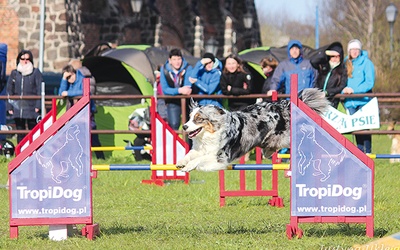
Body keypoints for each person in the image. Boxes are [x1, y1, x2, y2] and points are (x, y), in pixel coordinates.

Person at [59, 64, 105, 159]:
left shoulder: (85, 78)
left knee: (92, 136)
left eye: (69, 77)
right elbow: (61, 92)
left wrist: (68, 93)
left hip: (87, 112)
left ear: (73, 73)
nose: (69, 80)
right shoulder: (68, 82)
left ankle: (101, 157)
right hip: (74, 112)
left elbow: (85, 92)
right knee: (76, 137)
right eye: (66, 78)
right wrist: (64, 79)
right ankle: (80, 158)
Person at [342, 39, 375, 153]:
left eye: (357, 49)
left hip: (363, 101)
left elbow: (369, 82)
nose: (354, 52)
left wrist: (354, 91)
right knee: (355, 129)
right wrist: (343, 90)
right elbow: (341, 80)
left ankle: (368, 152)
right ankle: (360, 152)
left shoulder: (367, 63)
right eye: (352, 49)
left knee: (364, 128)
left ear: (360, 50)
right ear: (349, 51)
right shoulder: (345, 63)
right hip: (350, 102)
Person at [6, 50, 43, 143]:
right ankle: (20, 154)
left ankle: (33, 152)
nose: (25, 61)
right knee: (20, 132)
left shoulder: (35, 72)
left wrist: (38, 105)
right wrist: (9, 106)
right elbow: (10, 90)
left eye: (27, 59)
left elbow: (39, 89)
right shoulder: (15, 73)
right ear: (19, 59)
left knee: (33, 131)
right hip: (17, 107)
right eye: (23, 59)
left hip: (31, 107)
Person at [159, 49, 192, 130]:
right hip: (172, 100)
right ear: (170, 60)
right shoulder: (164, 70)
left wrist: (183, 90)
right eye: (174, 59)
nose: (177, 62)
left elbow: (187, 88)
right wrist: (179, 90)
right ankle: (174, 142)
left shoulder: (188, 68)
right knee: (174, 124)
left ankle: (188, 143)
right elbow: (165, 89)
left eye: (179, 59)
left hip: (187, 101)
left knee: (190, 126)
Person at [311, 42, 347, 108]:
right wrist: (325, 51)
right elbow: (313, 60)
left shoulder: (342, 70)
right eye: (332, 56)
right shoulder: (324, 66)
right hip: (319, 100)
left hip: (332, 102)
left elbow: (341, 86)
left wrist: (327, 92)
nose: (334, 59)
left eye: (337, 56)